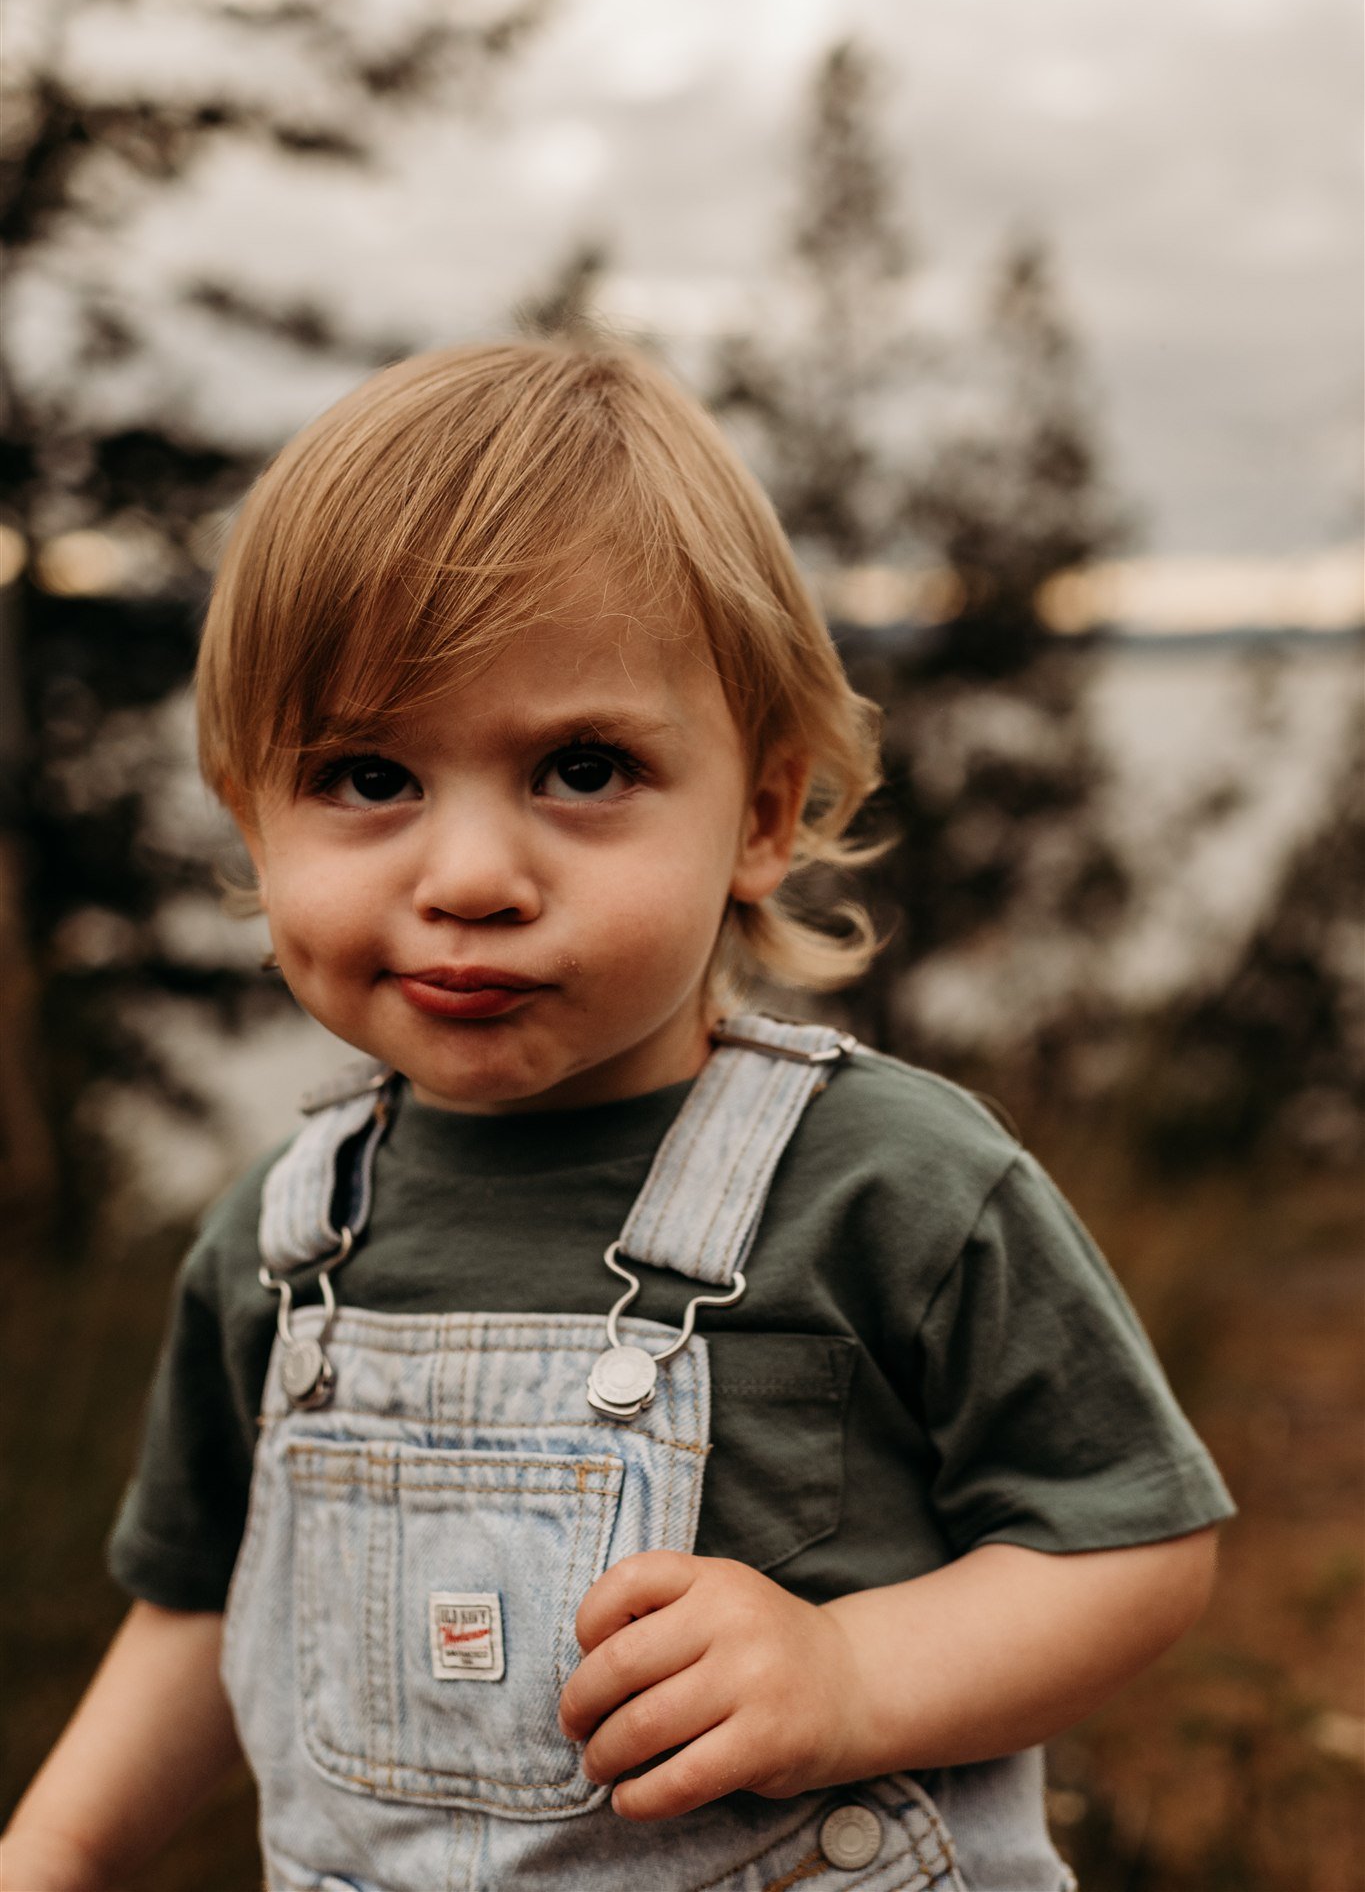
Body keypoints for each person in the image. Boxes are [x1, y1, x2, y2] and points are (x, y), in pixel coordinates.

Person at [2, 338, 1233, 1892]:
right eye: (366, 776)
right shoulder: (279, 1241)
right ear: (249, 808)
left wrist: (852, 1673)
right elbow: (202, 1604)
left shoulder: (895, 1189)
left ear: (763, 816)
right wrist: (45, 1852)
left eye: (583, 769)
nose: (467, 878)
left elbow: (1130, 1545)